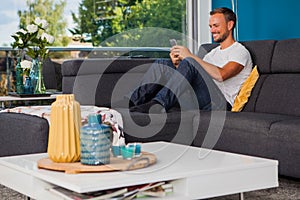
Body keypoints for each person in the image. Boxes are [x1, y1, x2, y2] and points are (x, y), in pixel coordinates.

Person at [128, 7, 253, 113]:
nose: (212, 30)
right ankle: (130, 102)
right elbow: (193, 75)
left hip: (220, 105)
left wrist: (190, 57)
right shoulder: (212, 54)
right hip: (200, 97)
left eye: (216, 26)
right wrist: (177, 64)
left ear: (230, 25)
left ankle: (158, 105)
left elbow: (221, 75)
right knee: (163, 64)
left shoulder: (240, 52)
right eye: (210, 26)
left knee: (191, 62)